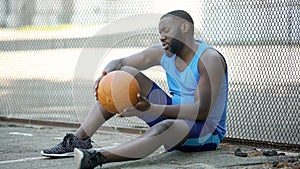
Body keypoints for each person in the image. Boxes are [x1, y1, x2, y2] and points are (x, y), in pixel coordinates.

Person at [41, 10, 228, 169]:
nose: (161, 36)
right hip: (174, 116)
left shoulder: (209, 59)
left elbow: (201, 111)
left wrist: (152, 108)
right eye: (159, 32)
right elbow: (121, 62)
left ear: (185, 27)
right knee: (123, 76)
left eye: (166, 30)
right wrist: (106, 74)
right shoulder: (164, 54)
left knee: (165, 126)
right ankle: (79, 139)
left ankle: (97, 157)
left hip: (204, 132)